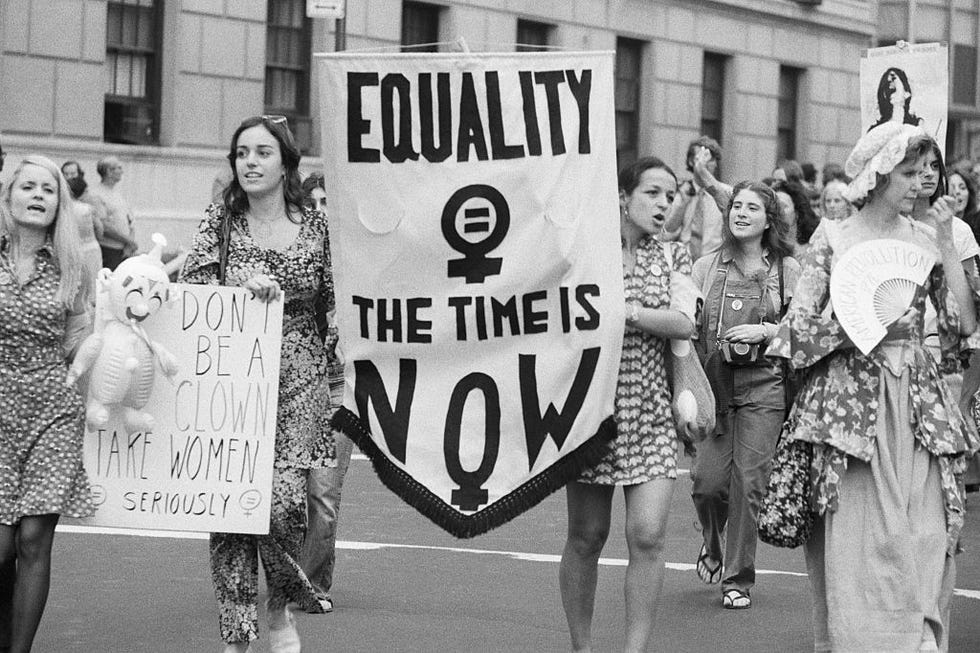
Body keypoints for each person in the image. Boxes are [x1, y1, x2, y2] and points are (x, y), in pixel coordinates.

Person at [769, 123, 979, 652]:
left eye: (926, 171)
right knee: (863, 543)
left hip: (919, 403)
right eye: (909, 172)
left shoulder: (928, 237)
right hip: (849, 407)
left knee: (929, 535)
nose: (922, 182)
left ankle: (920, 640)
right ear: (878, 174)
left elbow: (961, 327)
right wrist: (857, 329)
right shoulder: (833, 237)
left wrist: (949, 246)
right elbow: (794, 332)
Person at [179, 116, 335, 653]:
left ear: (286, 162)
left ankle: (278, 610)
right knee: (229, 508)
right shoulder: (220, 223)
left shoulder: (317, 228)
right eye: (241, 153)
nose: (249, 161)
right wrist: (237, 289)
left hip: (300, 378)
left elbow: (337, 304)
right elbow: (190, 287)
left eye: (263, 152)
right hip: (233, 377)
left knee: (287, 506)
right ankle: (236, 637)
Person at [559, 156, 696, 652]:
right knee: (586, 536)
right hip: (591, 411)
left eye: (671, 195)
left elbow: (684, 322)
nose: (664, 204)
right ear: (623, 197)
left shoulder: (675, 257)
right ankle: (583, 647)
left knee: (647, 536)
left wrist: (628, 312)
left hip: (653, 411)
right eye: (653, 193)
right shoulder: (586, 252)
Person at [690, 182, 800, 610]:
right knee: (707, 485)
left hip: (765, 384)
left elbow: (805, 326)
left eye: (752, 207)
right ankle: (712, 545)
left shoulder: (788, 269)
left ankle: (737, 578)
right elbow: (688, 326)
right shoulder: (706, 266)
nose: (741, 213)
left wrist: (766, 331)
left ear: (769, 220)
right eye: (736, 205)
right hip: (714, 383)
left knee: (748, 484)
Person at [0, 155, 94, 653]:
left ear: (60, 203)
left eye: (49, 189)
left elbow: (80, 333)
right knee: (0, 549)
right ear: (9, 196)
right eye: (28, 186)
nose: (38, 195)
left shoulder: (72, 265)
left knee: (33, 539)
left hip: (52, 410)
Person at [296, 169, 350, 614]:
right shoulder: (292, 259)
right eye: (312, 204)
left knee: (324, 495)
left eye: (328, 204)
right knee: (289, 494)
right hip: (293, 386)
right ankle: (290, 570)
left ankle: (313, 584)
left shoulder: (359, 265)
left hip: (341, 387)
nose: (320, 213)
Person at [663, 136, 724, 260]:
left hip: (713, 262)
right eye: (700, 158)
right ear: (691, 161)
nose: (705, 163)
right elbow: (668, 231)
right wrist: (683, 203)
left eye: (710, 159)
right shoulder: (678, 192)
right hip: (683, 261)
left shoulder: (724, 193)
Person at [61, 161, 106, 293]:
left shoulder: (64, 208)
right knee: (93, 281)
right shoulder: (88, 209)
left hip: (71, 248)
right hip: (90, 248)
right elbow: (100, 230)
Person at [88, 156, 138, 270]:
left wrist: (129, 243)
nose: (122, 171)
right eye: (118, 168)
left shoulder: (117, 193)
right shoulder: (95, 194)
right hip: (108, 250)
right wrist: (129, 241)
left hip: (124, 250)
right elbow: (103, 226)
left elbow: (129, 220)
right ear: (109, 171)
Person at [766, 178, 820, 252]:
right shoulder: (765, 248)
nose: (778, 211)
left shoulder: (813, 246)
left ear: (797, 212)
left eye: (783, 206)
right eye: (774, 206)